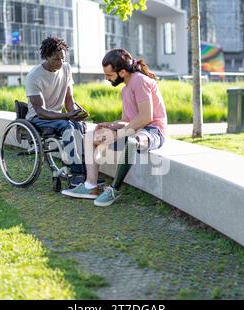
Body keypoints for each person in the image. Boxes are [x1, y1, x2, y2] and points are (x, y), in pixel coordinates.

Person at [62, 48, 167, 207]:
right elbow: (127, 120)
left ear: (123, 72)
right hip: (136, 129)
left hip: (153, 131)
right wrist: (111, 125)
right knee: (91, 136)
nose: (107, 78)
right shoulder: (125, 90)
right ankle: (90, 186)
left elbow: (146, 117)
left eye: (109, 75)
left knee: (132, 141)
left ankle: (114, 189)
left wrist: (120, 134)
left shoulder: (140, 81)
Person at [25, 36, 99, 187]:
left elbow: (69, 100)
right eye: (55, 59)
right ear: (46, 56)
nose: (59, 63)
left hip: (57, 116)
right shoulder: (34, 76)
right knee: (66, 126)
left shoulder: (66, 68)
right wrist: (66, 116)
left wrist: (75, 115)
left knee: (78, 126)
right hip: (38, 118)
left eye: (62, 59)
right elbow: (40, 111)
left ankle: (87, 174)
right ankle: (77, 174)